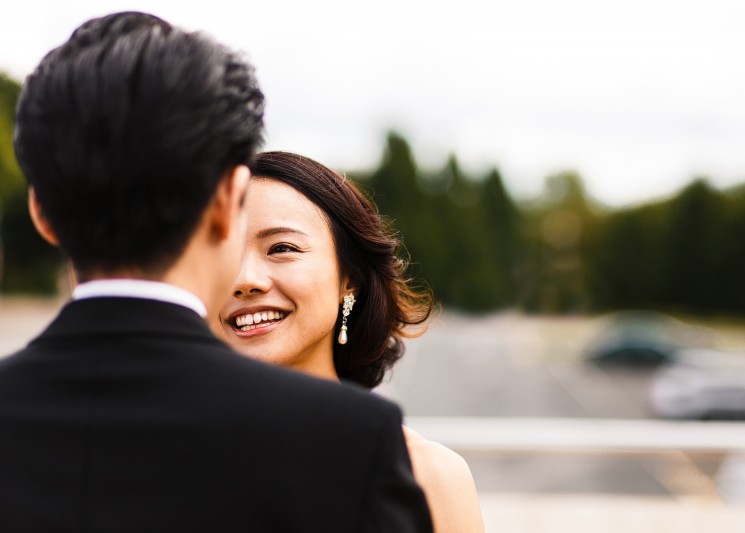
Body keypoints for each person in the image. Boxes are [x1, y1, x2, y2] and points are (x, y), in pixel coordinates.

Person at [2, 12, 432, 533]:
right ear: (230, 198)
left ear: (41, 211)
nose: (250, 280)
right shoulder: (347, 443)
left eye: (282, 249)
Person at [213, 151, 485, 533]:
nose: (245, 278)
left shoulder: (427, 475)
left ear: (350, 278)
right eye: (222, 253)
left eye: (281, 248)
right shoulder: (150, 460)